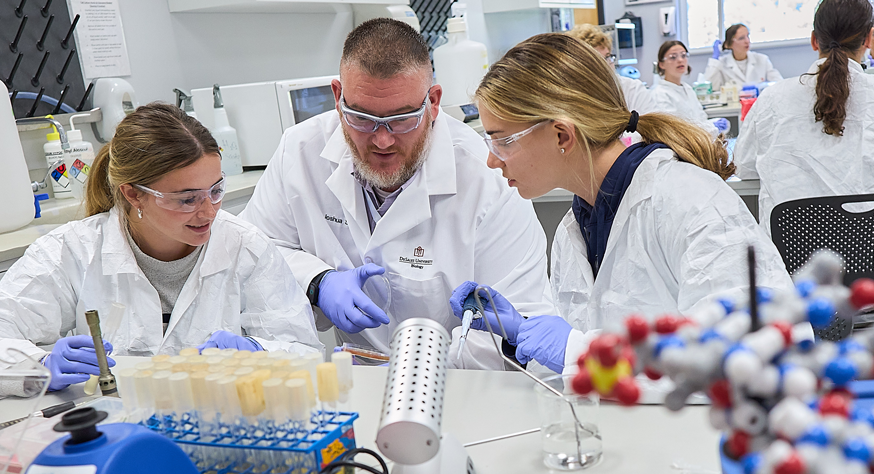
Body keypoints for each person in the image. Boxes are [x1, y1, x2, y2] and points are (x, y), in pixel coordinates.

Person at [450, 33, 791, 374]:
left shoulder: (692, 200)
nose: (492, 162)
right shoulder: (577, 226)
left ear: (562, 135)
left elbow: (754, 350)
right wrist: (522, 335)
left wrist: (579, 351)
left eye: (502, 141)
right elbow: (591, 369)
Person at [0, 103, 322, 399]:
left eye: (216, 190)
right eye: (186, 199)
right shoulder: (72, 252)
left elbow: (306, 352)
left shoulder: (245, 247)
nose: (208, 211)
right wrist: (37, 365)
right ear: (133, 193)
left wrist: (258, 351)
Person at [239, 19, 554, 369]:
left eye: (402, 119)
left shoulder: (488, 179)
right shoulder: (299, 151)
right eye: (361, 118)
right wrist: (318, 281)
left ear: (433, 103)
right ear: (337, 97)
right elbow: (256, 254)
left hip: (459, 389)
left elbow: (514, 329)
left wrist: (413, 376)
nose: (382, 140)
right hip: (355, 386)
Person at [734, 0, 874, 228]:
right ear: (869, 39)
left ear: (814, 40)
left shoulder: (771, 100)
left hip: (794, 262)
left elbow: (745, 167)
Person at [566, 24, 662, 115]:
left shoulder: (633, 89)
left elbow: (654, 128)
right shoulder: (572, 98)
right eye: (598, 61)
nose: (607, 66)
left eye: (608, 57)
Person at [651, 40, 728, 136]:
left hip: (698, 140)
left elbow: (700, 119)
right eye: (673, 57)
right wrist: (710, 128)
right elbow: (673, 130)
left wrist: (713, 123)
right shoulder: (660, 94)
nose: (680, 60)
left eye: (683, 55)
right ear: (661, 64)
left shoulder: (688, 89)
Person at [705, 23, 784, 88]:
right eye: (741, 38)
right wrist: (714, 60)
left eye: (748, 36)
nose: (747, 41)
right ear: (729, 44)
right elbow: (711, 88)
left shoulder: (762, 59)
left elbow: (779, 83)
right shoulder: (721, 64)